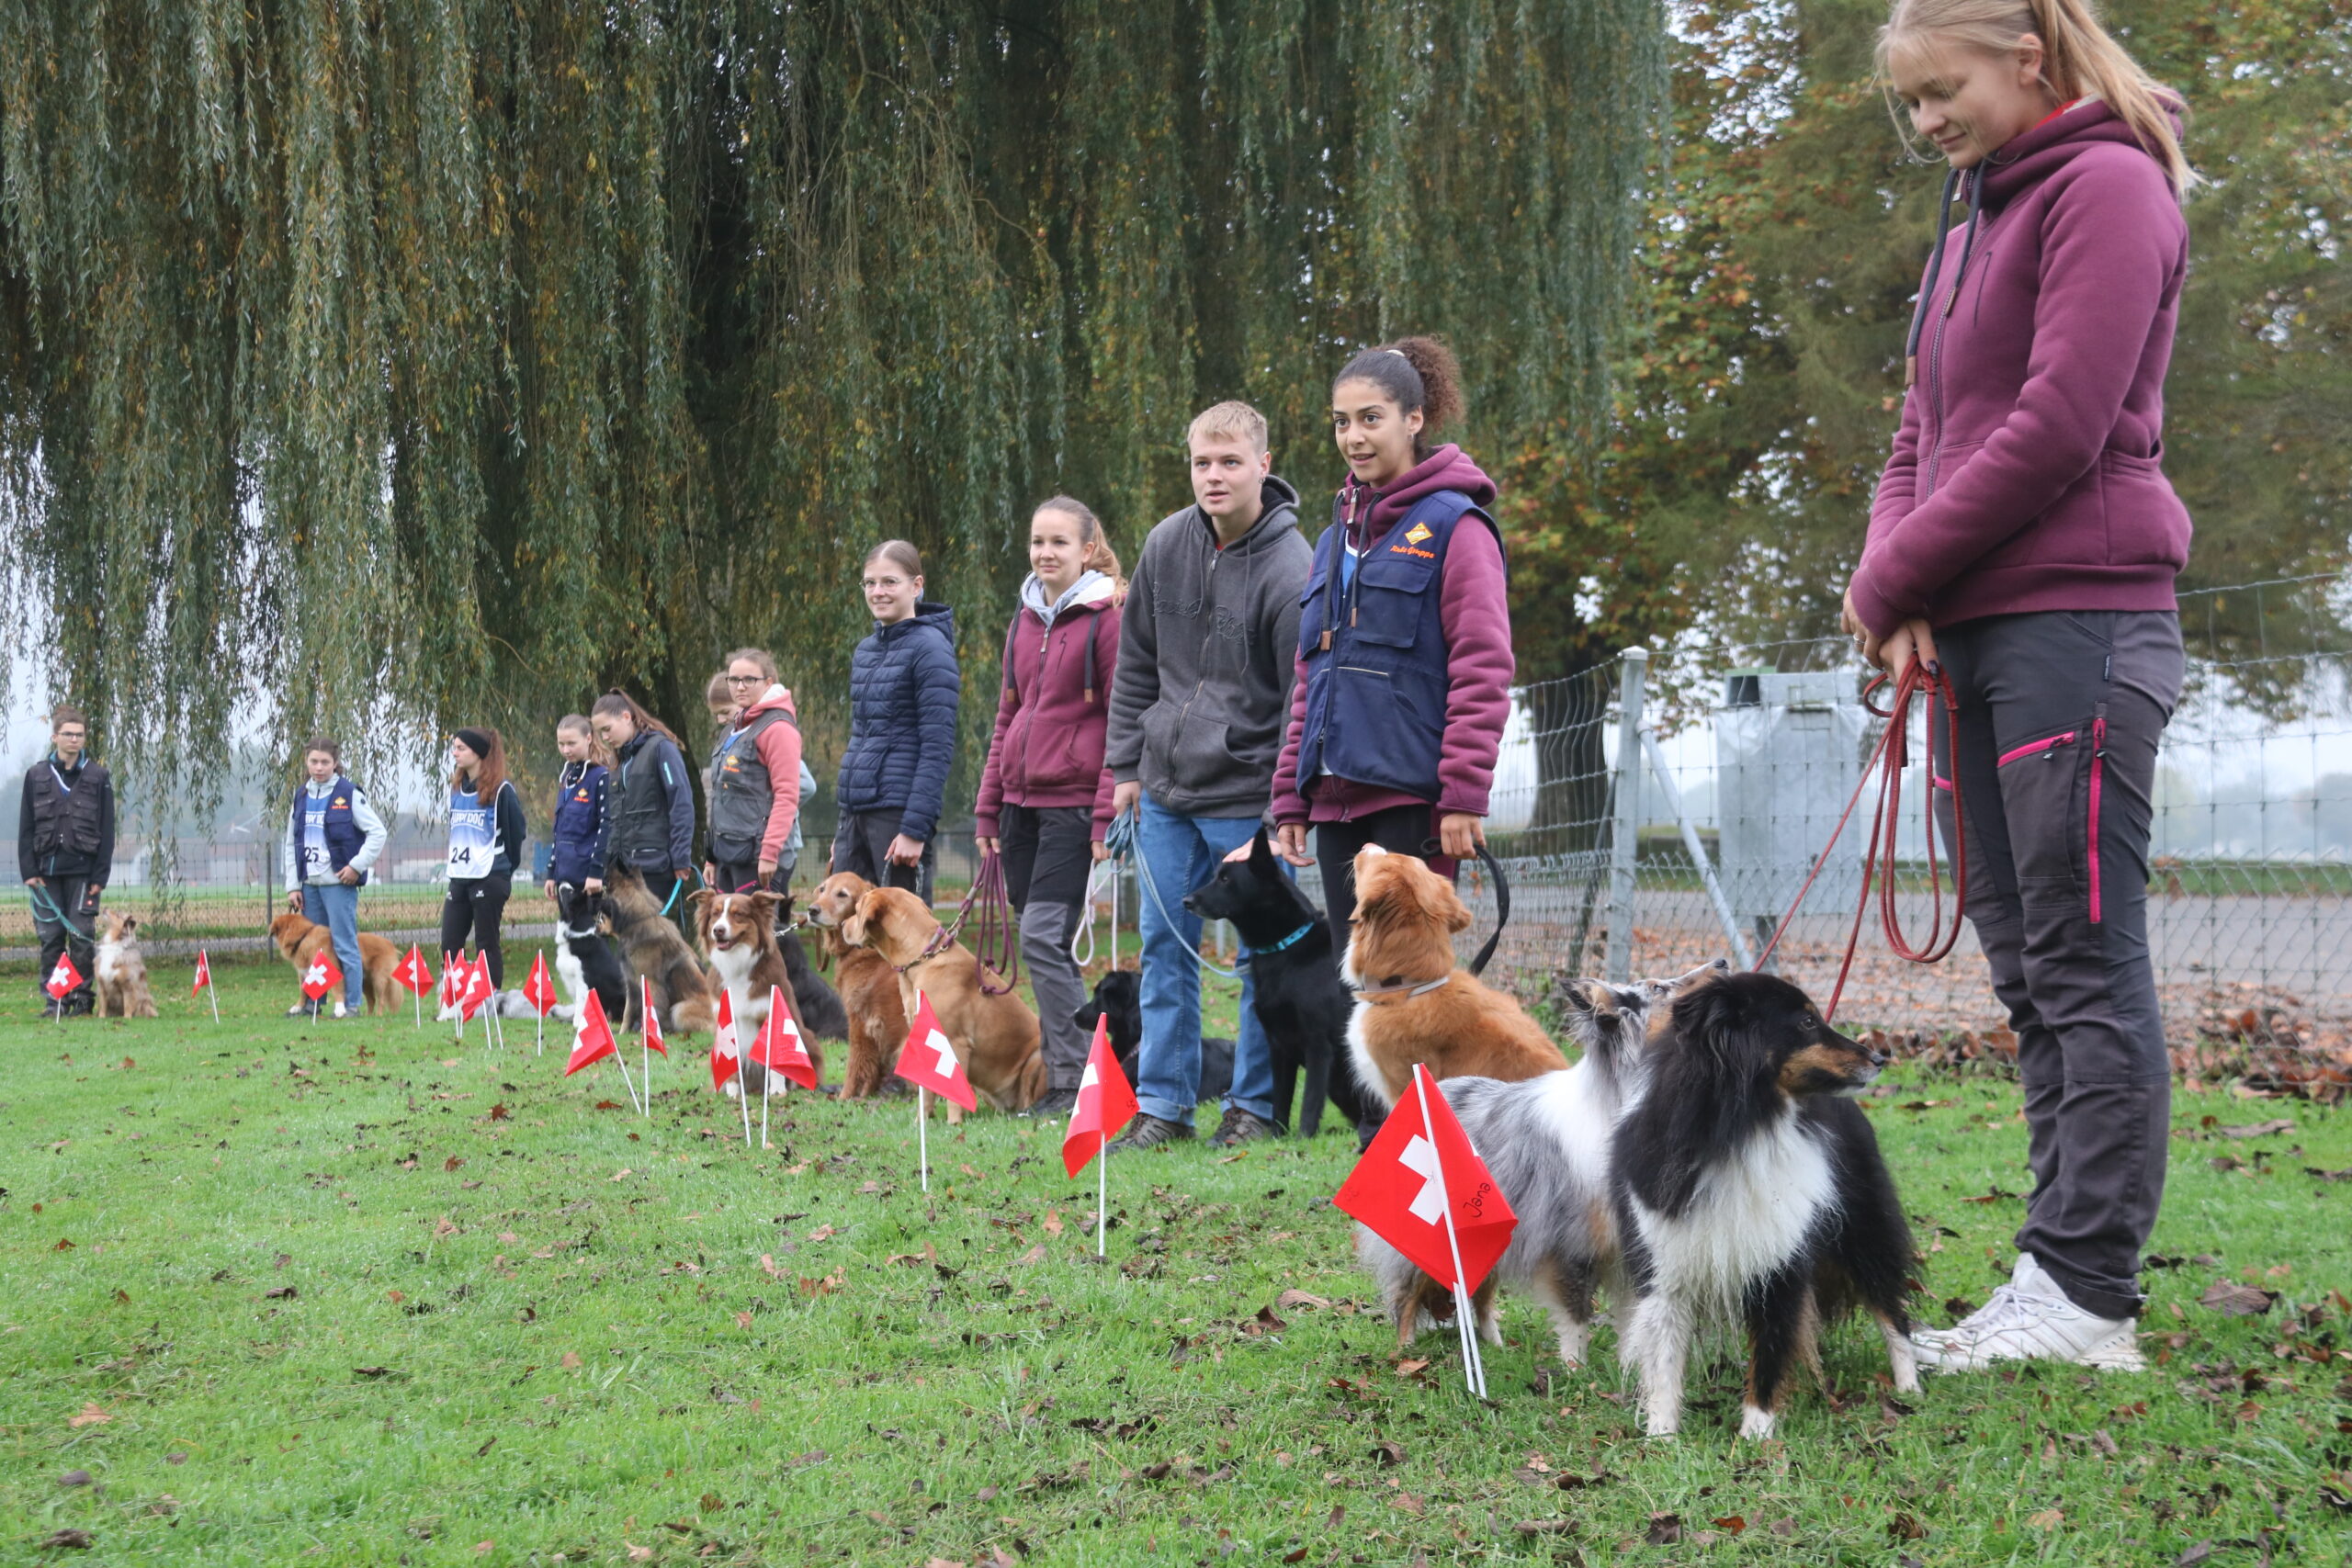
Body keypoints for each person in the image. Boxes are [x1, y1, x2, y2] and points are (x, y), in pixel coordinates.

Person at [1845, 0, 2195, 1373]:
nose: (1929, 123)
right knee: (2028, 969)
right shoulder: (1970, 216)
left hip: (2080, 626)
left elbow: (2060, 421)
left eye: (1944, 92)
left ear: (2027, 59)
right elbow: (1920, 432)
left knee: (2084, 964)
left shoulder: (2110, 184)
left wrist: (1894, 582)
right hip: (1975, 631)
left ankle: (2088, 1289)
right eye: (1911, 104)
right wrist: (1893, 580)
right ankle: (2054, 1273)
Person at [1103, 401, 1312, 1149]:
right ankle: (1164, 1105)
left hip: (1246, 795)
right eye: (1202, 462)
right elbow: (1134, 666)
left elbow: (1302, 695)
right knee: (1165, 949)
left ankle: (1253, 1107)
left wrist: (1284, 803)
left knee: (1260, 959)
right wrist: (1126, 765)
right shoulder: (1165, 544)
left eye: (1230, 461)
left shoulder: (1294, 569)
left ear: (1263, 462)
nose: (1214, 476)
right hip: (1161, 790)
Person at [1264, 336, 1514, 956]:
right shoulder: (1330, 542)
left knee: (1407, 987)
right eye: (1342, 422)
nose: (1354, 437)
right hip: (1332, 804)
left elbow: (1483, 669)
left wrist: (1462, 795)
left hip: (1414, 799)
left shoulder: (1457, 526)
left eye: (1371, 418)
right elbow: (1309, 678)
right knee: (1355, 990)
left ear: (1414, 418)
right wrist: (1291, 796)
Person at [975, 499, 1123, 1116]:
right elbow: (1008, 714)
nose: (1046, 552)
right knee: (1041, 943)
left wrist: (1104, 811)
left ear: (1087, 549)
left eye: (1060, 541)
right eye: (1038, 540)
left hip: (1072, 805)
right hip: (1019, 807)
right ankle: (1082, 1067)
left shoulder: (1108, 616)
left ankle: (1074, 1078)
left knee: (1040, 937)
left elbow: (1123, 715)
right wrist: (988, 806)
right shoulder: (1024, 619)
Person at [831, 541, 958, 903]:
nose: (878, 592)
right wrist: (845, 831)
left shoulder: (931, 649)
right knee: (852, 940)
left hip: (898, 817)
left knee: (902, 943)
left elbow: (937, 747)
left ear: (916, 586)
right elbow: (862, 737)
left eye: (889, 582)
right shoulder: (865, 651)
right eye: (869, 583)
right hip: (857, 814)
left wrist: (915, 830)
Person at [278, 736, 388, 1019]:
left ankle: (350, 1005)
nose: (319, 767)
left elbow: (378, 833)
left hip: (339, 886)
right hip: (309, 887)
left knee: (343, 944)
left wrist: (356, 866)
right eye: (313, 761)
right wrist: (293, 885)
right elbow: (291, 843)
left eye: (325, 762)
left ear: (335, 763)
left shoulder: (348, 793)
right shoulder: (301, 795)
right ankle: (313, 1004)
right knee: (311, 949)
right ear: (306, 762)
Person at [18, 705, 114, 1015]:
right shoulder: (36, 775)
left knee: (82, 938)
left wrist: (101, 876)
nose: (74, 739)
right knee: (51, 938)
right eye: (68, 734)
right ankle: (55, 1000)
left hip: (84, 872)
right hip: (46, 872)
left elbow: (107, 829)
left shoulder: (99, 777)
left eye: (80, 734)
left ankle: (82, 1000)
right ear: (55, 736)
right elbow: (26, 826)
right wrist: (28, 870)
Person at [704, 648, 810, 897]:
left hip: (759, 859)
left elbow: (787, 795)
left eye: (749, 679)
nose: (740, 687)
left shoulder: (778, 728)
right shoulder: (732, 730)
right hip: (727, 855)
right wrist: (711, 857)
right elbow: (721, 795)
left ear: (768, 683)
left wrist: (770, 852)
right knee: (727, 934)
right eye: (733, 679)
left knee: (763, 935)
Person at [591, 690, 697, 918]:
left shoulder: (661, 749)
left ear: (626, 717)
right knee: (628, 943)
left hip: (653, 866)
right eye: (601, 733)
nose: (605, 738)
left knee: (650, 941)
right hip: (620, 869)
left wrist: (681, 857)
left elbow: (681, 804)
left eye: (607, 729)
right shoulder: (617, 762)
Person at [440, 728, 527, 987]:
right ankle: (452, 999)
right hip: (459, 876)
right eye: (454, 747)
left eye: (461, 748)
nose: (454, 753)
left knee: (486, 943)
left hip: (489, 876)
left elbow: (516, 832)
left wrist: (504, 869)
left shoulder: (502, 791)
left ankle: (490, 999)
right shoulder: (457, 789)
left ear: (478, 753)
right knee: (450, 942)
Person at [544, 714, 612, 911]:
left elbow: (606, 826)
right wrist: (552, 872)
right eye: (561, 744)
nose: (566, 750)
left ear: (588, 738)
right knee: (569, 938)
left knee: (591, 939)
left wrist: (596, 872)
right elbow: (560, 829)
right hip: (564, 874)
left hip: (589, 879)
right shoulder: (567, 776)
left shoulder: (601, 776)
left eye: (572, 743)